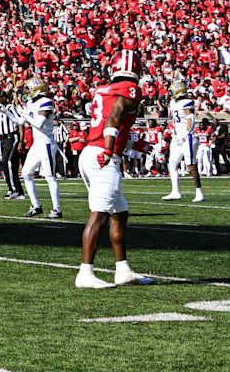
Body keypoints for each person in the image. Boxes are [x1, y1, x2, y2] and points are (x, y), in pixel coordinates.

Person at [76, 51, 149, 289]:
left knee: (119, 212)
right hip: (102, 154)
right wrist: (109, 150)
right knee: (99, 214)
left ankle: (123, 270)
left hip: (91, 151)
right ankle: (85, 273)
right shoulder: (129, 89)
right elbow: (114, 117)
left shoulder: (102, 89)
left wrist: (128, 144)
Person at [16, 79, 63, 219]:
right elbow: (20, 122)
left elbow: (39, 123)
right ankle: (36, 206)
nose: (26, 91)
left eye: (29, 88)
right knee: (26, 173)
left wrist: (25, 114)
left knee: (49, 176)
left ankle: (57, 209)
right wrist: (8, 111)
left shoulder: (47, 102)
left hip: (47, 143)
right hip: (37, 143)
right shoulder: (31, 102)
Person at [162, 81, 206, 203]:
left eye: (172, 91)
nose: (170, 93)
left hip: (188, 137)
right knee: (172, 163)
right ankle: (175, 192)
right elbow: (175, 121)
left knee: (190, 165)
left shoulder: (187, 102)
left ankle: (199, 192)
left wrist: (185, 134)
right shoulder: (173, 102)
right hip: (177, 138)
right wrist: (176, 135)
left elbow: (191, 120)